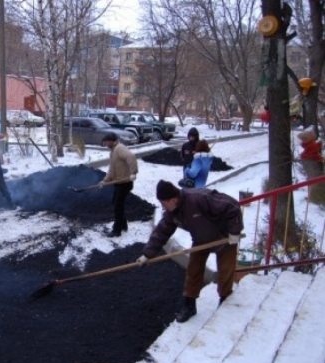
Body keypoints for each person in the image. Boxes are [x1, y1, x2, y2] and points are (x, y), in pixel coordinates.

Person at [137, 180, 243, 323]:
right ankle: (189, 305)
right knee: (193, 271)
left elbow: (232, 206)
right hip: (201, 240)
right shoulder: (172, 212)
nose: (163, 207)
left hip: (224, 237)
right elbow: (162, 231)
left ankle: (224, 301)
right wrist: (146, 254)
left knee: (225, 271)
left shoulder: (199, 198)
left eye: (163, 203)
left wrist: (234, 232)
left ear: (173, 199)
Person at [98, 132, 138, 237]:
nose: (105, 143)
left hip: (125, 183)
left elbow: (131, 156)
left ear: (112, 141)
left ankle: (116, 231)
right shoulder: (113, 152)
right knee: (117, 204)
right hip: (119, 183)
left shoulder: (119, 148)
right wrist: (104, 181)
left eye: (106, 141)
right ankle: (123, 225)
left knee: (117, 206)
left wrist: (133, 172)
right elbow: (111, 170)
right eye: (105, 141)